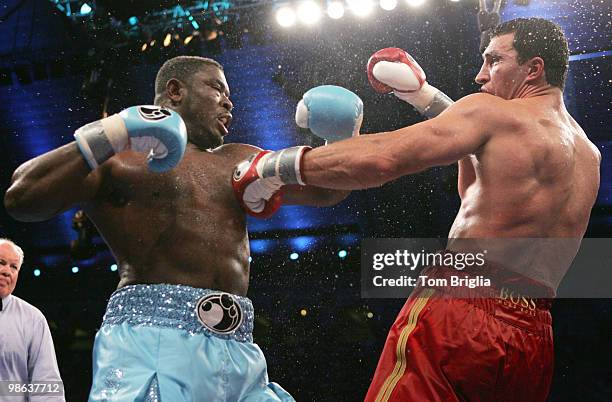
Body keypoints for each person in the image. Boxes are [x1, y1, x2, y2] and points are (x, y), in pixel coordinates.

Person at [232, 18, 601, 401]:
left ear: (534, 68)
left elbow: (383, 159)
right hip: (533, 335)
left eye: (493, 60)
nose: (480, 75)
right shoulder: (588, 155)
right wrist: (423, 96)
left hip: (461, 307)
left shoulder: (493, 113)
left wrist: (271, 168)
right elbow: (483, 166)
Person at [4, 56, 359, 401]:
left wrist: (344, 136)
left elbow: (325, 190)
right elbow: (22, 198)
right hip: (151, 339)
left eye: (230, 95)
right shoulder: (121, 158)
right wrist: (113, 132)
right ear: (175, 91)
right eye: (217, 89)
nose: (229, 104)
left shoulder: (239, 159)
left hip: (240, 349)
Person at [0, 238, 65, 401]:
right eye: (1, 262)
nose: (7, 271)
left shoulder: (32, 319)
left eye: (13, 267)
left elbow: (46, 385)